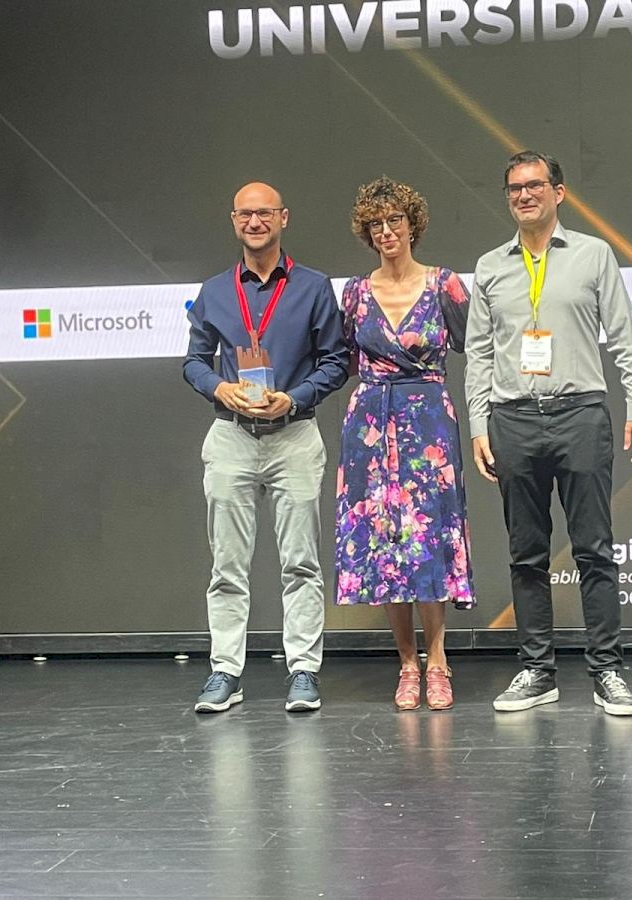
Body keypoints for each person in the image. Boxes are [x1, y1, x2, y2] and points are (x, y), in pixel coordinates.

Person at [465, 151, 632, 717]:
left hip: (580, 414)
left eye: (535, 185)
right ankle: (537, 671)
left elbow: (624, 336)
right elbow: (478, 354)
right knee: (526, 554)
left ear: (559, 192)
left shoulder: (593, 255)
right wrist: (479, 424)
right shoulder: (490, 266)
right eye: (514, 188)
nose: (524, 195)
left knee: (594, 549)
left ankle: (607, 670)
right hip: (513, 418)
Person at [184, 181, 349, 714]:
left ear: (283, 218)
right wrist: (219, 387)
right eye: (245, 214)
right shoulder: (214, 290)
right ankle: (225, 672)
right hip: (231, 436)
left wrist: (294, 397)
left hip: (294, 436)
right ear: (234, 221)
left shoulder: (313, 287)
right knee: (227, 565)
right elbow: (193, 361)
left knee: (301, 563)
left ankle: (303, 670)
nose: (254, 222)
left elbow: (336, 361)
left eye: (264, 213)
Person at [335, 176, 476, 711]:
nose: (386, 231)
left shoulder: (444, 285)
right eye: (376, 224)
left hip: (428, 424)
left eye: (394, 220)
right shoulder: (355, 293)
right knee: (384, 544)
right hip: (370, 424)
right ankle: (407, 665)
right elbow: (343, 359)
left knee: (427, 538)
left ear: (412, 224)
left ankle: (438, 661)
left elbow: (478, 348)